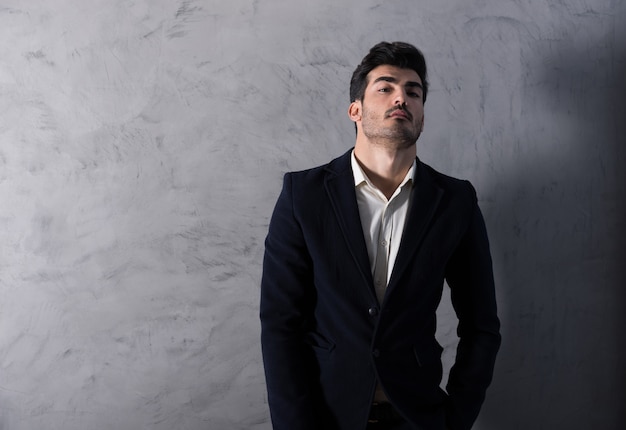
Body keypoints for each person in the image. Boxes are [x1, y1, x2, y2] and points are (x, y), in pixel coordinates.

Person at [260, 41, 501, 430]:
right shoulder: (302, 196)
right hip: (327, 417)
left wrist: (454, 420)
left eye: (413, 91)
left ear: (422, 114)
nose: (401, 98)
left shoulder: (455, 201)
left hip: (419, 417)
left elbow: (482, 325)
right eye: (385, 87)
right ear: (355, 109)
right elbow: (280, 325)